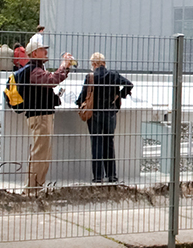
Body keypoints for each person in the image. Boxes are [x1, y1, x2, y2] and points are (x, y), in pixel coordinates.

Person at [21, 39, 74, 190]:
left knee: (43, 153)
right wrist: (63, 66)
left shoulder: (36, 69)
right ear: (34, 53)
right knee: (40, 153)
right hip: (40, 116)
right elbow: (51, 80)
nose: (46, 52)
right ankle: (32, 188)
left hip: (42, 115)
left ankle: (36, 186)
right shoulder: (34, 70)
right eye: (42, 49)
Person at [76, 52, 133, 184]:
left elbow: (83, 95)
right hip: (110, 113)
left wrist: (79, 103)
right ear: (104, 63)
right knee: (109, 143)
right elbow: (129, 84)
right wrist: (119, 95)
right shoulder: (113, 75)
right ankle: (112, 175)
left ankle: (98, 177)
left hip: (94, 114)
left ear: (93, 64)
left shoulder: (91, 77)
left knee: (96, 143)